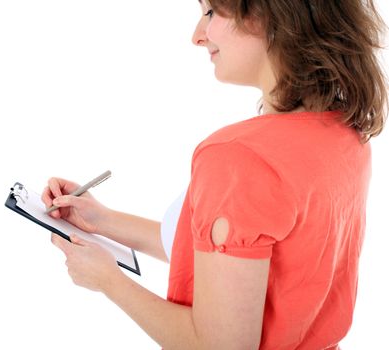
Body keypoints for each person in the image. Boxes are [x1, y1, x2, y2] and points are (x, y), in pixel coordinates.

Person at [41, 0, 388, 348]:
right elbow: (233, 260)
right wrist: (102, 220)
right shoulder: (346, 134)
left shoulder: (238, 158)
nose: (197, 36)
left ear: (266, 14)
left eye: (211, 13)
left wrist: (109, 281)